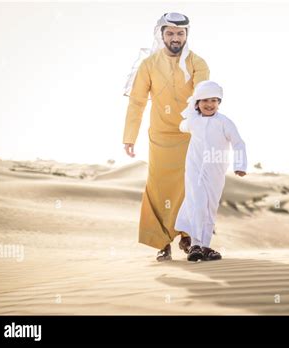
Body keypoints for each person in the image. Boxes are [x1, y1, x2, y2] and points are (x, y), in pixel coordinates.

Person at [122, 13, 210, 261]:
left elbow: (202, 97)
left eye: (180, 33)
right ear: (161, 35)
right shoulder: (148, 64)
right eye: (170, 33)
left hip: (188, 134)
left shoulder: (197, 63)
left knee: (189, 186)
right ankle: (161, 242)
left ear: (186, 35)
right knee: (158, 188)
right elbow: (137, 102)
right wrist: (130, 136)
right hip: (160, 135)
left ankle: (188, 236)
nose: (175, 38)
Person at [175, 81, 247, 262]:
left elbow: (238, 143)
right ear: (197, 103)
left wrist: (239, 165)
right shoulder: (193, 121)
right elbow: (181, 126)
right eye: (205, 100)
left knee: (210, 208)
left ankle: (205, 246)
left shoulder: (224, 122)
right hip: (194, 170)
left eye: (214, 100)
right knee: (197, 203)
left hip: (216, 171)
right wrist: (191, 109)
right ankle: (195, 245)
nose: (210, 104)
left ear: (219, 103)